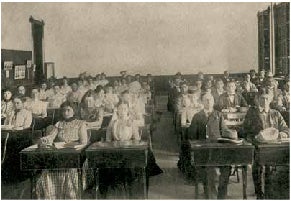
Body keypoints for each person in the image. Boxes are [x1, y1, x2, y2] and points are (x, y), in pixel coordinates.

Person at [186, 93, 236, 199]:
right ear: (202, 102)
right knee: (210, 170)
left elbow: (224, 131)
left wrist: (233, 134)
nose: (208, 102)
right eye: (206, 100)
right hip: (204, 151)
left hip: (218, 150)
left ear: (213, 102)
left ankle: (222, 196)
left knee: (227, 168)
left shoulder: (218, 115)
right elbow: (191, 136)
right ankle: (211, 196)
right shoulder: (197, 116)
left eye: (210, 100)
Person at [35, 101, 88, 199]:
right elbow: (51, 137)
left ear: (74, 111)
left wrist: (73, 146)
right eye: (64, 110)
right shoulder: (59, 124)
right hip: (60, 153)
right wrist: (46, 139)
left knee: (70, 169)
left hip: (74, 154)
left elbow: (84, 142)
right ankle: (52, 196)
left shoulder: (81, 123)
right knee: (48, 169)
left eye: (68, 110)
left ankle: (71, 196)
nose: (66, 113)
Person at [242, 91, 289, 199]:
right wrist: (253, 137)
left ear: (271, 100)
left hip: (273, 148)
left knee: (273, 169)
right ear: (258, 100)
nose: (264, 101)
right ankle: (259, 193)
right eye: (262, 98)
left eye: (267, 99)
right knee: (258, 167)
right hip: (258, 147)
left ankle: (270, 193)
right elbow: (244, 130)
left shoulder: (275, 113)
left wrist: (283, 133)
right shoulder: (252, 113)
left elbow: (286, 128)